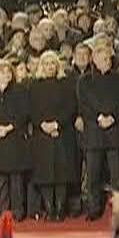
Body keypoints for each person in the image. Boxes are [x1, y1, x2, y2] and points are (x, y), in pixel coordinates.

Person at [76, 44, 119, 219]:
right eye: (104, 58)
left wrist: (112, 118)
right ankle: (94, 208)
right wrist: (99, 118)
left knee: (117, 175)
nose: (108, 61)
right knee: (93, 175)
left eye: (109, 58)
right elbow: (83, 105)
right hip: (93, 132)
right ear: (94, 60)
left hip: (114, 132)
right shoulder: (84, 81)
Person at [28, 52, 76, 221]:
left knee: (61, 173)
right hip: (41, 135)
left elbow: (70, 107)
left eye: (52, 63)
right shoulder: (34, 86)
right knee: (45, 173)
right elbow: (31, 109)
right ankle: (49, 209)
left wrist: (57, 125)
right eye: (46, 64)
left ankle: (60, 209)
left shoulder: (65, 84)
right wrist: (43, 125)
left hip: (62, 134)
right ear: (41, 66)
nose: (50, 67)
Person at [0, 60, 32, 219]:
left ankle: (18, 211)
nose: (6, 75)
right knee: (0, 178)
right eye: (2, 72)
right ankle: (3, 210)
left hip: (14, 138)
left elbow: (24, 113)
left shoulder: (20, 91)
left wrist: (9, 127)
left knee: (16, 178)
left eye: (8, 72)